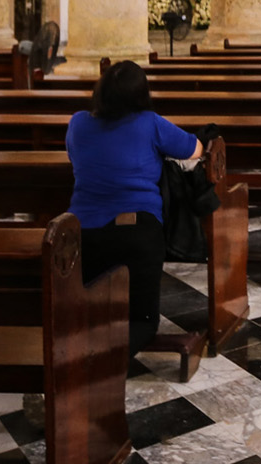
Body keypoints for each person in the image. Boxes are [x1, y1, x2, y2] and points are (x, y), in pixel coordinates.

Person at [66, 61, 202, 353]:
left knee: (95, 312)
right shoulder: (149, 123)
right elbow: (195, 149)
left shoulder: (77, 123)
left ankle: (85, 352)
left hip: (81, 235)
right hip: (136, 233)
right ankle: (104, 366)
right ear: (142, 94)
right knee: (141, 321)